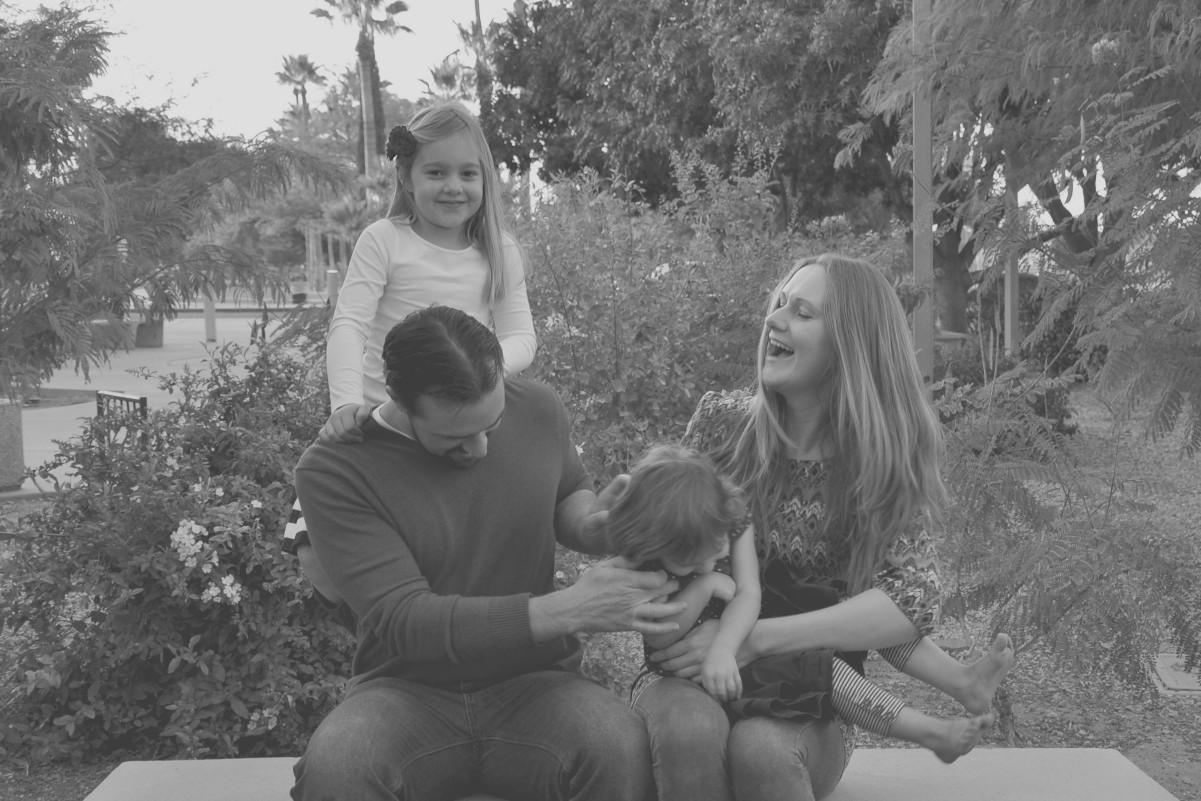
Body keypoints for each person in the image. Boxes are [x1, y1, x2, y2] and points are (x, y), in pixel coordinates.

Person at [631, 254, 1015, 801]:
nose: (774, 320)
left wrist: (749, 639)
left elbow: (909, 601)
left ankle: (954, 690)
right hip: (685, 670)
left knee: (763, 751)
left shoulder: (876, 461)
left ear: (850, 347)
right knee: (689, 731)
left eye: (802, 312)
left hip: (806, 696)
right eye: (779, 304)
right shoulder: (721, 425)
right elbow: (651, 534)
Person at [290, 305, 682, 801]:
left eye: (492, 426)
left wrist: (596, 524)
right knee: (337, 768)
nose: (480, 450)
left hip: (537, 683)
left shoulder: (539, 408)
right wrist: (572, 608)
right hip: (403, 692)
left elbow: (567, 492)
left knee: (620, 744)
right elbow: (408, 622)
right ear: (398, 398)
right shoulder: (335, 468)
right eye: (454, 439)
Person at [285, 100, 536, 601]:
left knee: (464, 545)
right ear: (406, 176)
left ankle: (438, 623)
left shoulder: (499, 249)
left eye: (468, 173)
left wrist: (471, 374)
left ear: (485, 178)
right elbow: (349, 324)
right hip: (385, 421)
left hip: (461, 417)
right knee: (316, 556)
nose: (453, 186)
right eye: (436, 172)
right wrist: (344, 404)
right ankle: (393, 622)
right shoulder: (384, 240)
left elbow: (522, 337)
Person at [609, 443, 996, 768]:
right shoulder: (654, 559)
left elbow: (748, 592)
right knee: (826, 672)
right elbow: (661, 639)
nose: (710, 562)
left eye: (716, 549)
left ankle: (961, 681)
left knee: (854, 614)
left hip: (744, 632)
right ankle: (931, 733)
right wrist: (704, 586)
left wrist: (726, 644)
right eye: (693, 561)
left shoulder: (725, 514)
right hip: (706, 671)